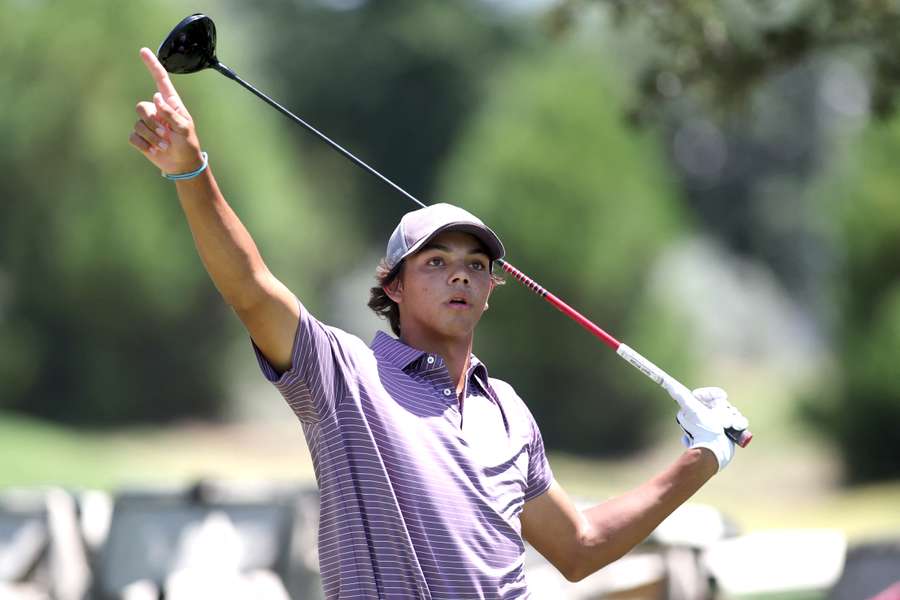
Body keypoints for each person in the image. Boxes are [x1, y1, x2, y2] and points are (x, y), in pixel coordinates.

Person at [129, 47, 749, 599]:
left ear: (490, 290)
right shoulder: (343, 376)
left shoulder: (507, 412)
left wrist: (703, 456)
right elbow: (250, 287)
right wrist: (191, 171)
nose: (460, 276)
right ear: (393, 287)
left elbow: (580, 548)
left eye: (476, 265)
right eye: (435, 262)